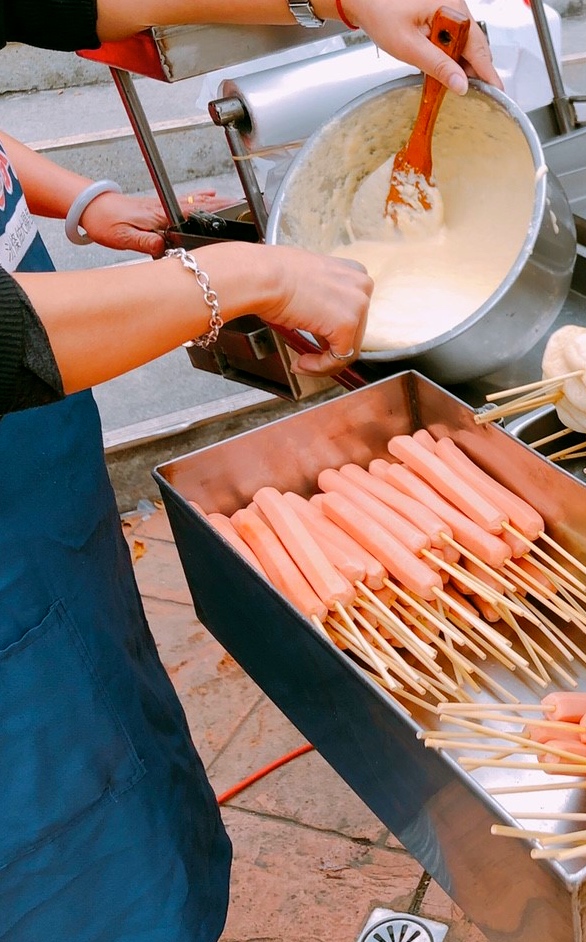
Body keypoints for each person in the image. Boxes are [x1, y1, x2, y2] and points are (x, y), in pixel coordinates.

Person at [0, 3, 500, 940]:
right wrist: (236, 280)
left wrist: (340, 0)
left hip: (37, 453)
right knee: (60, 859)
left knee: (114, 728)